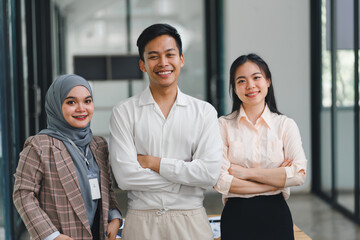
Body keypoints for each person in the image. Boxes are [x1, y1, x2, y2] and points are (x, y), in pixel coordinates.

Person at [109, 23, 222, 240]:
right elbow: (125, 177)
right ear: (142, 64)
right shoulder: (124, 112)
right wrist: (186, 178)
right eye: (153, 56)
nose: (163, 63)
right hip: (141, 223)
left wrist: (154, 163)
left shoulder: (204, 112)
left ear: (181, 59)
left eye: (170, 54)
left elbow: (209, 174)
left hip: (191, 222)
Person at [13, 74, 122, 240]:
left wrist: (114, 216)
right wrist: (52, 236)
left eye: (87, 101)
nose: (81, 108)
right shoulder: (39, 146)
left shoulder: (98, 145)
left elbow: (106, 189)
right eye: (71, 102)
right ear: (56, 105)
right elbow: (23, 194)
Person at [214, 53, 307, 240]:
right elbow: (221, 181)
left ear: (268, 81)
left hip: (276, 217)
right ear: (234, 88)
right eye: (241, 81)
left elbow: (298, 175)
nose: (250, 85)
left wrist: (246, 173)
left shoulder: (285, 125)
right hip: (236, 217)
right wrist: (276, 182)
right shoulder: (222, 125)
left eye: (256, 77)